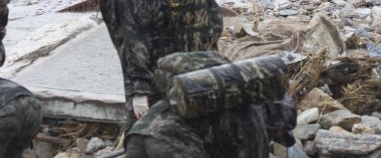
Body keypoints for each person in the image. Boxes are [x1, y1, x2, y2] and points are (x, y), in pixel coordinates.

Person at [63, 0, 172, 129]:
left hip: (153, 73)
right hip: (155, 69)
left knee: (141, 130)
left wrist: (140, 91)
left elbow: (137, 41)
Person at [125, 52, 296, 158]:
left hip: (139, 132)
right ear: (279, 125)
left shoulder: (224, 97)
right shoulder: (253, 119)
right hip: (173, 145)